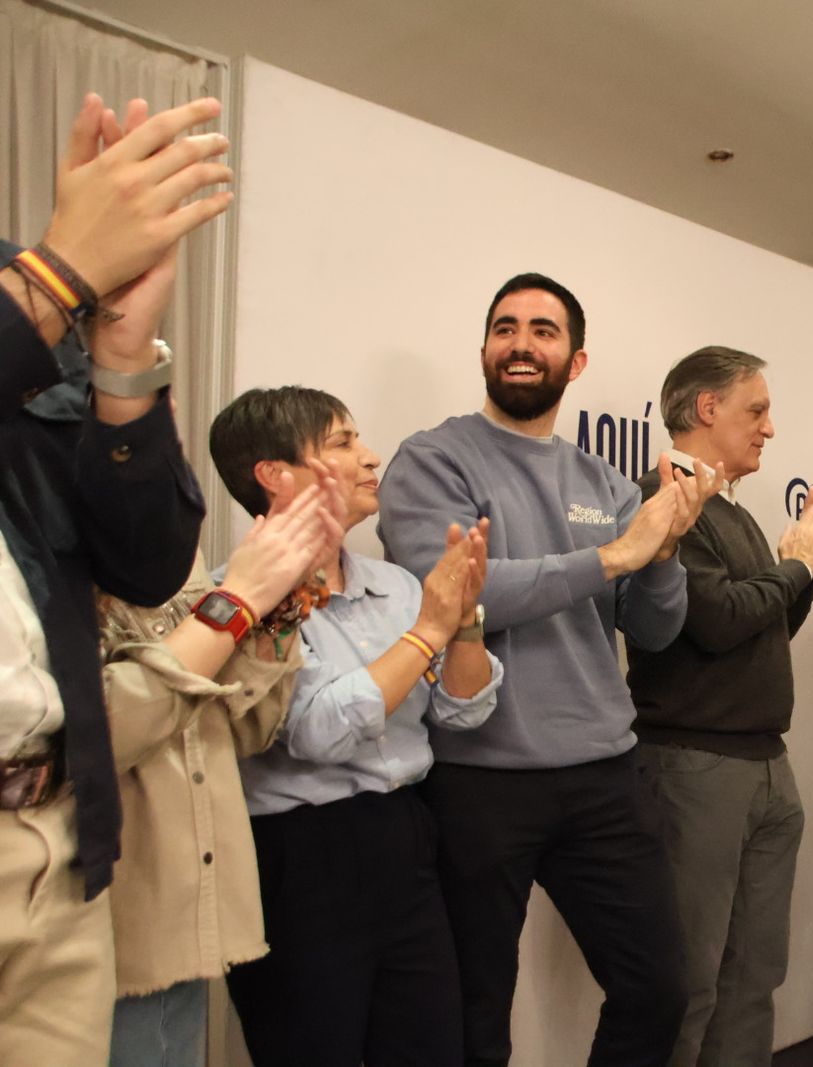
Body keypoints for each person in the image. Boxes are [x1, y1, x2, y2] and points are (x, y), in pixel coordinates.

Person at [380, 272, 720, 1067]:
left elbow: (655, 628)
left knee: (657, 988)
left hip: (603, 776)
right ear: (485, 350)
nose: (522, 343)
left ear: (577, 360)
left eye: (543, 330)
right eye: (506, 328)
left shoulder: (603, 478)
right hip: (479, 779)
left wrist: (662, 553)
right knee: (474, 1011)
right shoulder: (433, 459)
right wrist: (615, 553)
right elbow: (461, 594)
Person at [0, 92, 232, 1062]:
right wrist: (53, 277)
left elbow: (144, 562)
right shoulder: (28, 298)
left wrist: (124, 353)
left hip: (51, 843)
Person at [211, 386, 502, 1067]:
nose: (370, 457)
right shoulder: (231, 600)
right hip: (300, 859)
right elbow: (313, 729)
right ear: (274, 476)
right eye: (342, 442)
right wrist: (429, 631)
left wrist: (462, 622)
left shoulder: (398, 586)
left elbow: (465, 710)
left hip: (405, 838)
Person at [625, 345, 813, 1067]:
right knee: (693, 979)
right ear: (707, 409)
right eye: (755, 409)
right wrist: (798, 560)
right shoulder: (667, 498)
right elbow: (718, 621)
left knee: (755, 974)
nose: (769, 428)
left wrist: (807, 563)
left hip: (764, 764)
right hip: (695, 767)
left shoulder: (730, 511)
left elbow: (767, 627)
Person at [102, 474, 340, 1067]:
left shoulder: (173, 559)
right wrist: (237, 602)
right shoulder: (30, 567)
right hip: (104, 918)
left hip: (189, 912)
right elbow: (101, 734)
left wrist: (281, 606)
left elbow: (239, 727)